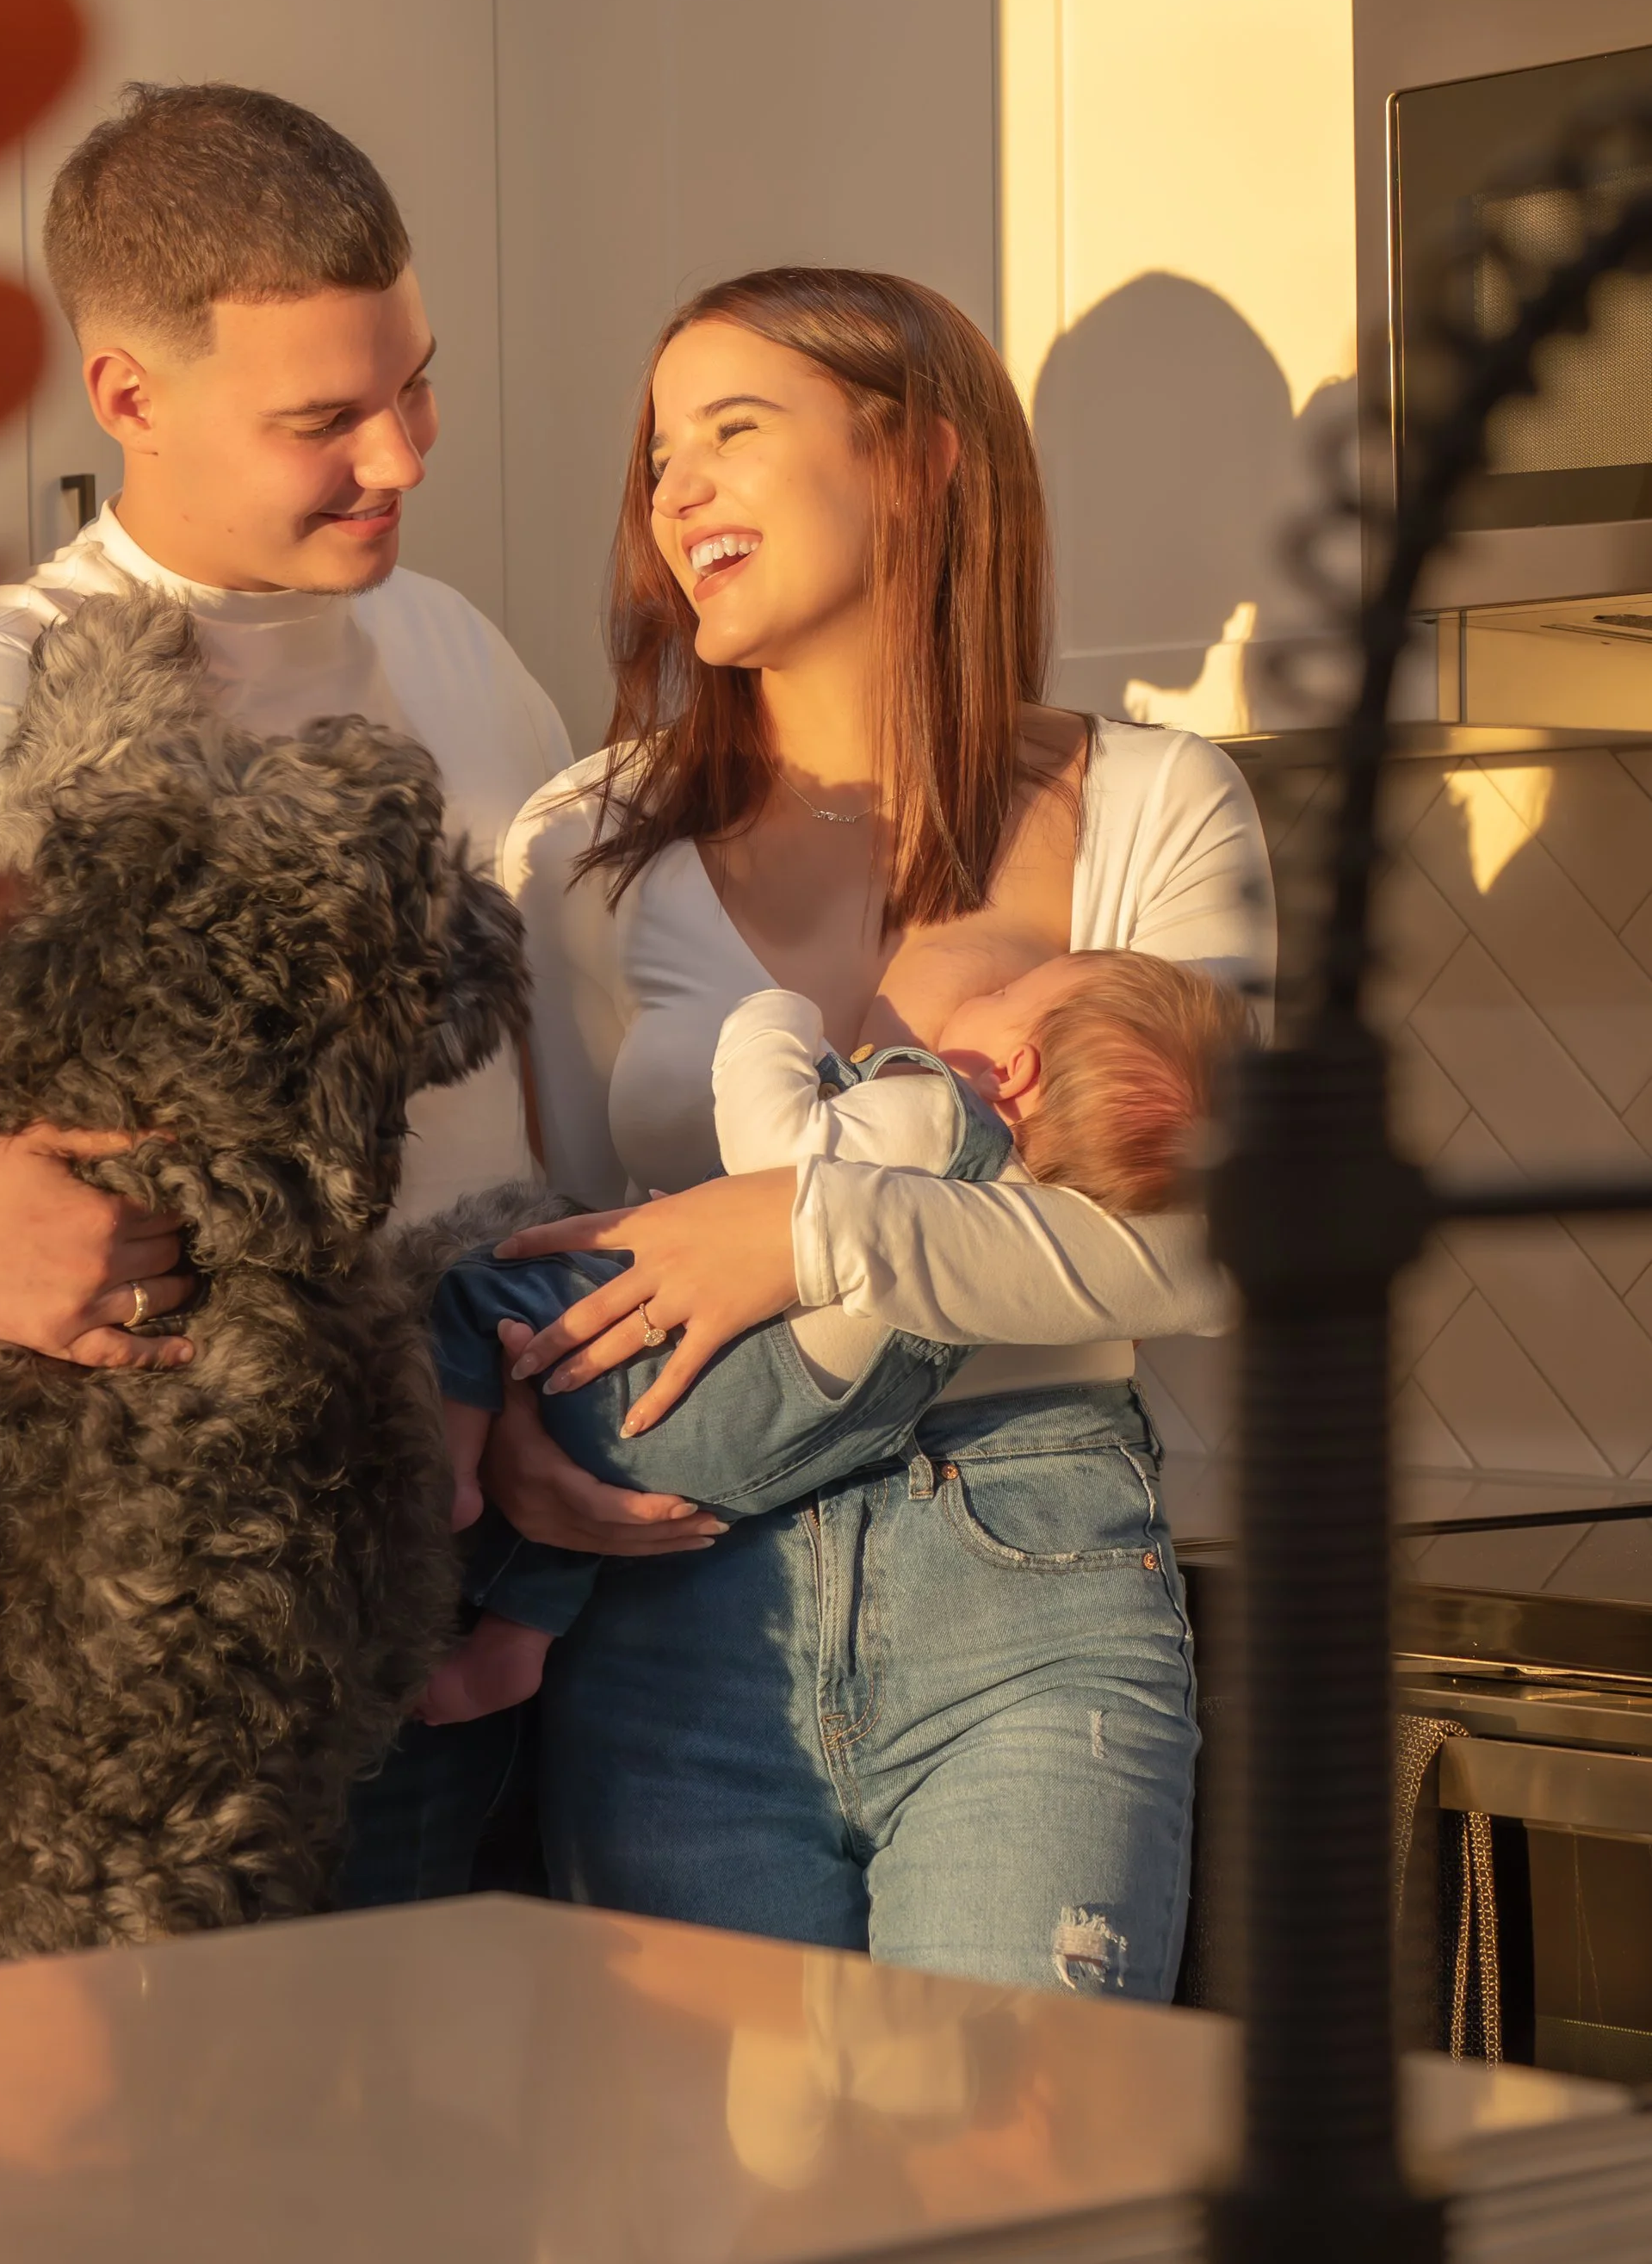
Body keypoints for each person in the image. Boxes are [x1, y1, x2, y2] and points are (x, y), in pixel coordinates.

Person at [0, 82, 715, 1901]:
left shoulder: (463, 656)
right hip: (140, 1673)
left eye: (414, 383)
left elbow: (542, 1119)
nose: (400, 457)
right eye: (323, 418)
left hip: (489, 1614)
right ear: (129, 395)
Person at [468, 263, 1272, 1994]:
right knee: (710, 2204)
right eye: (656, 451)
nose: (673, 487)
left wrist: (797, 1228)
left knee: (1015, 2188)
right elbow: (516, 1230)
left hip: (1031, 1572)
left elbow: (1206, 1244)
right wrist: (512, 1451)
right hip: (680, 1592)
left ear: (918, 460)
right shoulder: (575, 846)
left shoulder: (1152, 801)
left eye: (732, 430)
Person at [423, 950, 1252, 1724]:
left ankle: (452, 1476)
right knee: (600, 1474)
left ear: (1015, 1065)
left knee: (471, 1283)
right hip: (767, 1461)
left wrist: (773, 1016)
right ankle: (513, 1644)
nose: (981, 995)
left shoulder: (937, 1113)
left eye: (1004, 993)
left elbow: (774, 1152)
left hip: (697, 1381)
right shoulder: (1010, 1242)